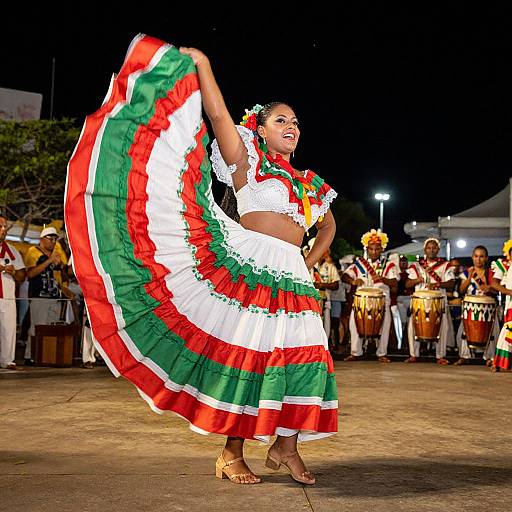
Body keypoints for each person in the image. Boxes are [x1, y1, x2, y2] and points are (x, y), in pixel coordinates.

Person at [65, 35, 338, 486]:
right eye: (281, 120)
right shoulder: (246, 160)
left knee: (305, 357)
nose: (292, 126)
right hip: (254, 266)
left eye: (296, 122)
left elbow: (327, 227)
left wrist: (308, 261)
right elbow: (217, 115)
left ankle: (285, 447)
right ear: (261, 129)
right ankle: (231, 454)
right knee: (252, 359)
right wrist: (205, 65)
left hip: (293, 274)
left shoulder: (309, 183)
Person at [342, 229, 398, 363]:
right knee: (354, 324)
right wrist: (353, 281)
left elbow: (394, 282)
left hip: (382, 300)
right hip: (361, 301)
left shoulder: (388, 265)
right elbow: (345, 276)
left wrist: (383, 279)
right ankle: (355, 352)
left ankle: (381, 353)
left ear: (381, 249)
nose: (374, 252)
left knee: (384, 326)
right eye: (371, 249)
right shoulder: (359, 264)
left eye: (377, 249)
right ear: (367, 249)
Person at [404, 238, 455, 365]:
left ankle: (440, 355)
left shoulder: (445, 266)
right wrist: (418, 280)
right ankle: (413, 354)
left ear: (438, 249)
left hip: (438, 301)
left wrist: (438, 284)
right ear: (425, 250)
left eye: (434, 248)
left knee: (443, 327)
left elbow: (451, 283)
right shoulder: (416, 266)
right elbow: (407, 284)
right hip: (419, 301)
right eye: (429, 248)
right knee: (413, 327)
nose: (431, 250)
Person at [23, 226, 68, 365]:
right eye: (50, 238)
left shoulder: (56, 255)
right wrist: (49, 261)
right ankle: (30, 356)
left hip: (55, 297)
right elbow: (30, 274)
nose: (53, 242)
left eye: (55, 239)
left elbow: (63, 277)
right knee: (37, 327)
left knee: (50, 328)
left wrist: (61, 266)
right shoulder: (33, 251)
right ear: (42, 239)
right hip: (39, 296)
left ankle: (46, 356)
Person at [454, 246, 498, 366]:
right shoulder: (467, 272)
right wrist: (469, 277)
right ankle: (464, 355)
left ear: (486, 258)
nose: (478, 259)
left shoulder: (491, 273)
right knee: (464, 332)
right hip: (470, 306)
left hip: (487, 307)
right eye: (476, 256)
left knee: (490, 333)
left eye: (481, 256)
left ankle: (490, 357)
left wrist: (489, 288)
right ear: (472, 257)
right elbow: (461, 290)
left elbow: (497, 291)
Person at [0, 216, 26, 369]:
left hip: (8, 297)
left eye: (5, 227)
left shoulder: (12, 250)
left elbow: (22, 276)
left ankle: (7, 360)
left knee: (8, 328)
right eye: (0, 226)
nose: (3, 229)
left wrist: (14, 272)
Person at [489, 240, 512, 371]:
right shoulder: (505, 266)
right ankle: (497, 363)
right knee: (507, 332)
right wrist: (509, 292)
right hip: (511, 305)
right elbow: (494, 283)